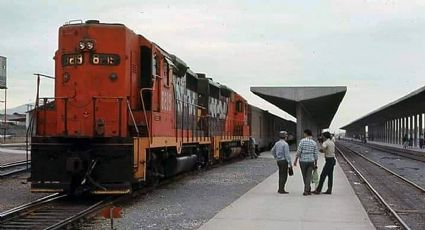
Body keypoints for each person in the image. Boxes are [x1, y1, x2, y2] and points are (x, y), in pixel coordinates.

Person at [294, 129, 318, 196]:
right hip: (311, 161)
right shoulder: (314, 143)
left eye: (304, 133)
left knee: (304, 176)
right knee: (309, 176)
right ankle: (308, 189)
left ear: (306, 134)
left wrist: (295, 160)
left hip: (303, 161)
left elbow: (299, 151)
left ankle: (306, 191)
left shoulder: (302, 141)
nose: (303, 135)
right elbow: (315, 154)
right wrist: (316, 163)